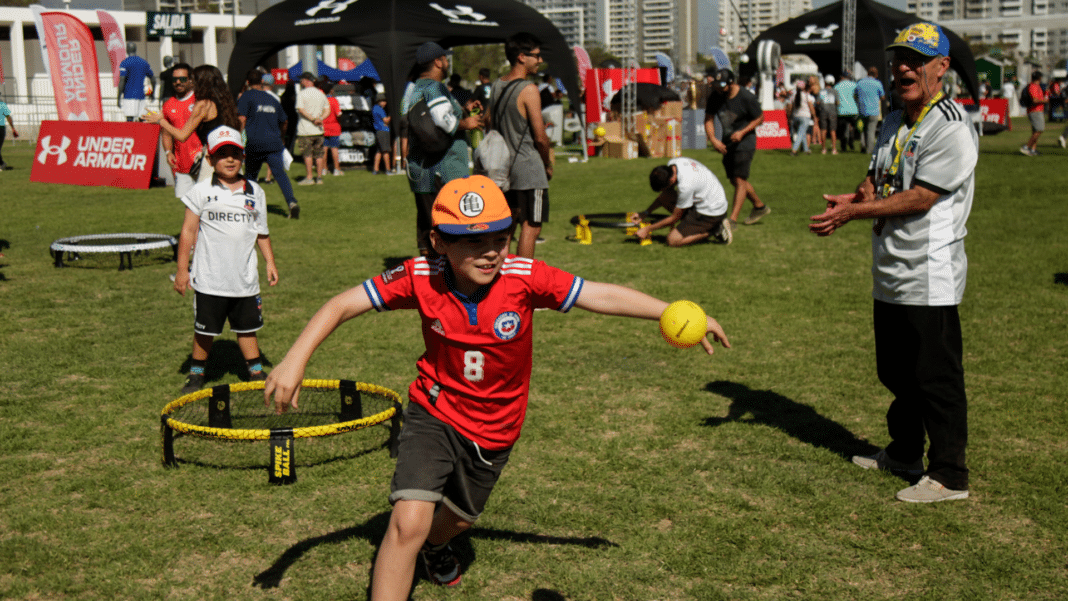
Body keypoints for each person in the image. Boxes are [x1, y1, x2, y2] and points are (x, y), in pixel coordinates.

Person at [262, 174, 730, 598]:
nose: (490, 251)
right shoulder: (420, 277)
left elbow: (599, 294)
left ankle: (438, 546)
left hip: (496, 428)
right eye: (473, 241)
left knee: (458, 520)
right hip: (435, 410)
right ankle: (417, 548)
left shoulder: (524, 279)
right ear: (438, 242)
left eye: (500, 239)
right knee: (408, 522)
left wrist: (674, 310)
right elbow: (342, 304)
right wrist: (294, 358)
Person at [809, 22, 976, 504]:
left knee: (935, 378)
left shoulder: (951, 125)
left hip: (930, 270)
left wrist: (855, 212)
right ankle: (905, 452)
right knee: (897, 373)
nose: (903, 67)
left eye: (916, 59)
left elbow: (922, 197)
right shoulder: (893, 118)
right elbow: (878, 177)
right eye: (899, 58)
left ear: (941, 68)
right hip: (890, 270)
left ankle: (949, 475)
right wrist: (853, 197)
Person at [175, 126, 279, 394]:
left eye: (235, 153)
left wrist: (270, 262)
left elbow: (262, 232)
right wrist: (181, 271)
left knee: (247, 328)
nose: (230, 159)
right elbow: (188, 231)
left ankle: (255, 372)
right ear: (210, 160)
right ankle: (197, 375)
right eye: (222, 154)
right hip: (210, 279)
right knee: (205, 331)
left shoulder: (255, 191)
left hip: (244, 279)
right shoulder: (200, 192)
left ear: (243, 157)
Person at [401, 41, 483, 257]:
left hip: (421, 166)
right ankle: (444, 278)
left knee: (427, 224)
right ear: (438, 62)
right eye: (445, 58)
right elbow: (443, 120)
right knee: (447, 226)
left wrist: (463, 109)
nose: (447, 62)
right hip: (443, 168)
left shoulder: (415, 87)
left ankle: (428, 273)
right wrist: (467, 124)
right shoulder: (435, 87)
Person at [487, 32, 554, 259]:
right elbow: (540, 138)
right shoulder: (529, 90)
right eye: (536, 56)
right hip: (528, 168)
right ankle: (523, 279)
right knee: (531, 225)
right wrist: (547, 163)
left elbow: (488, 122)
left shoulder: (496, 86)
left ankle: (500, 273)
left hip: (503, 168)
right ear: (522, 57)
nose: (540, 60)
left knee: (508, 226)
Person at [143, 65, 242, 183]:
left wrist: (161, 121)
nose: (192, 83)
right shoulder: (226, 102)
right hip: (234, 156)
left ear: (202, 81)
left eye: (194, 79)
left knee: (203, 199)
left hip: (215, 158)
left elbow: (182, 136)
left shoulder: (203, 104)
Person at [704, 67, 770, 230]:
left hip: (745, 140)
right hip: (728, 142)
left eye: (722, 85)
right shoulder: (716, 96)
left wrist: (743, 132)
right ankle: (759, 207)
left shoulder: (746, 97)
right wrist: (713, 139)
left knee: (740, 179)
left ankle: (732, 221)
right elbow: (709, 119)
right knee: (734, 179)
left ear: (731, 83)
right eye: (717, 85)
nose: (719, 88)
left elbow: (760, 118)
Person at [237, 69, 301, 219]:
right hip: (274, 142)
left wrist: (238, 137)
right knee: (280, 174)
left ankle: (248, 208)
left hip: (254, 142)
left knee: (251, 176)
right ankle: (291, 202)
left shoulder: (246, 96)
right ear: (262, 82)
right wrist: (281, 135)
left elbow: (241, 119)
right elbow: (284, 121)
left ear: (247, 83)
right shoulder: (272, 99)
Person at [630, 158, 732, 247]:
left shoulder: (685, 186)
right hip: (707, 200)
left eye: (663, 188)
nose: (663, 191)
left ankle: (714, 230)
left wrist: (648, 229)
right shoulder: (674, 163)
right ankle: (707, 227)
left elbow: (674, 218)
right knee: (666, 196)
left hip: (711, 212)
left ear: (671, 180)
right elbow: (663, 197)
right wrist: (646, 213)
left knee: (673, 240)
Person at [159, 62, 202, 199]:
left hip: (202, 162)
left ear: (190, 80)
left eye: (182, 79)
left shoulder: (200, 100)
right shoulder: (168, 105)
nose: (178, 82)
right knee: (187, 205)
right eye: (175, 79)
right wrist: (168, 152)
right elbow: (166, 132)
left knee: (206, 205)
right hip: (181, 165)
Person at [295, 72, 329, 185]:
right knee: (319, 154)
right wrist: (320, 119)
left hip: (305, 130)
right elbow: (327, 110)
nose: (301, 82)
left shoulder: (302, 94)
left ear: (306, 80)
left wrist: (313, 119)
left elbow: (300, 109)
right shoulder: (321, 94)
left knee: (307, 154)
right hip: (319, 130)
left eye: (302, 80)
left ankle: (309, 177)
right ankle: (319, 177)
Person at [118, 43, 155, 123]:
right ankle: (142, 135)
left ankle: (131, 135)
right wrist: (153, 93)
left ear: (127, 50)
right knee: (142, 119)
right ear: (135, 49)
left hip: (129, 96)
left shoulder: (125, 63)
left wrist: (118, 97)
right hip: (141, 96)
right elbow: (153, 79)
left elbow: (122, 81)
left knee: (130, 120)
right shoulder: (144, 63)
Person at [854, 66, 885, 153]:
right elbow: (883, 97)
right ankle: (870, 150)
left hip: (862, 110)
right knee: (871, 131)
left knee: (863, 130)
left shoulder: (860, 83)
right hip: (873, 111)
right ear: (876, 75)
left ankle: (863, 146)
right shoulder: (878, 83)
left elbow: (855, 95)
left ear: (867, 73)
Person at [318, 78, 344, 177]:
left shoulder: (321, 101)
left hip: (323, 127)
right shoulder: (334, 101)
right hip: (334, 127)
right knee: (334, 149)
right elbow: (339, 114)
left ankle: (324, 169)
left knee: (324, 149)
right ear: (331, 90)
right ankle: (336, 169)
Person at [788, 79, 818, 156]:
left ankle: (806, 149)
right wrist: (814, 116)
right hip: (805, 117)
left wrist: (789, 117)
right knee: (801, 134)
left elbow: (790, 107)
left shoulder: (793, 96)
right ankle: (794, 150)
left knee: (803, 133)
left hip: (795, 117)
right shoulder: (806, 95)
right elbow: (811, 107)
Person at [1022, 71, 1048, 156]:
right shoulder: (1033, 86)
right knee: (1040, 129)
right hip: (1035, 110)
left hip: (1037, 110)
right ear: (1039, 78)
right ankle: (1026, 147)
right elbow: (1035, 100)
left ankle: (1033, 149)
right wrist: (1045, 100)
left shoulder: (1036, 86)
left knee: (1035, 131)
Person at [835, 71, 859, 152]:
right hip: (852, 110)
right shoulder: (854, 85)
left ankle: (843, 146)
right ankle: (851, 140)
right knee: (852, 127)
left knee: (842, 129)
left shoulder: (837, 86)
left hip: (841, 111)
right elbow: (856, 96)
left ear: (842, 77)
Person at [818, 75, 839, 154]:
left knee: (823, 130)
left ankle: (823, 149)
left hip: (823, 111)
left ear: (825, 82)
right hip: (833, 112)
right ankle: (834, 149)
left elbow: (818, 102)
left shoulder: (821, 91)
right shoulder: (835, 91)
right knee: (833, 131)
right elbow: (837, 102)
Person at [372, 93, 393, 175]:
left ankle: (375, 169)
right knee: (385, 151)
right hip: (383, 131)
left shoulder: (374, 108)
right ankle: (388, 170)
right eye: (383, 101)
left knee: (379, 151)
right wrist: (391, 115)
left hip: (378, 131)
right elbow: (386, 120)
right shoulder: (380, 109)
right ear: (379, 101)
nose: (385, 102)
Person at [0, 96, 18, 170]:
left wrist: (13, 128)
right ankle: (2, 163)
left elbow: (8, 117)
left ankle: (2, 164)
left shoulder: (2, 105)